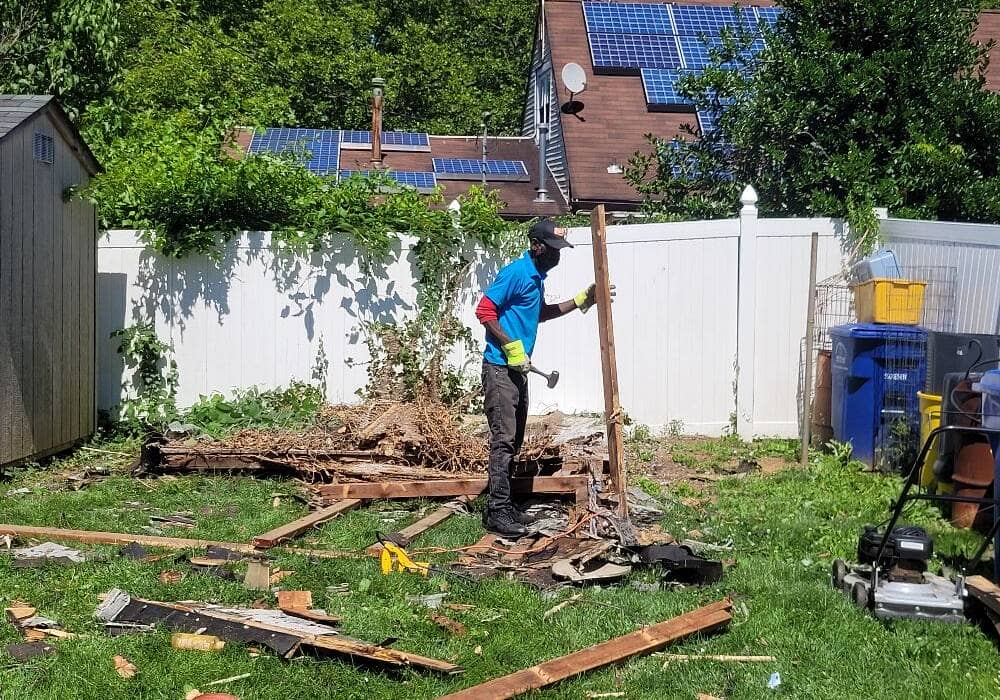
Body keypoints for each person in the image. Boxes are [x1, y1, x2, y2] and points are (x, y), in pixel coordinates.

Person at [474, 219, 605, 537]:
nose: (557, 257)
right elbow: (484, 311)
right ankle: (497, 511)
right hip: (500, 368)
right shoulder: (517, 273)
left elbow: (539, 313)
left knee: (514, 439)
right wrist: (510, 346)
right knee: (504, 440)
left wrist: (578, 302)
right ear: (536, 245)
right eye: (554, 250)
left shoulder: (536, 279)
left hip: (516, 370)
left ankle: (505, 505)